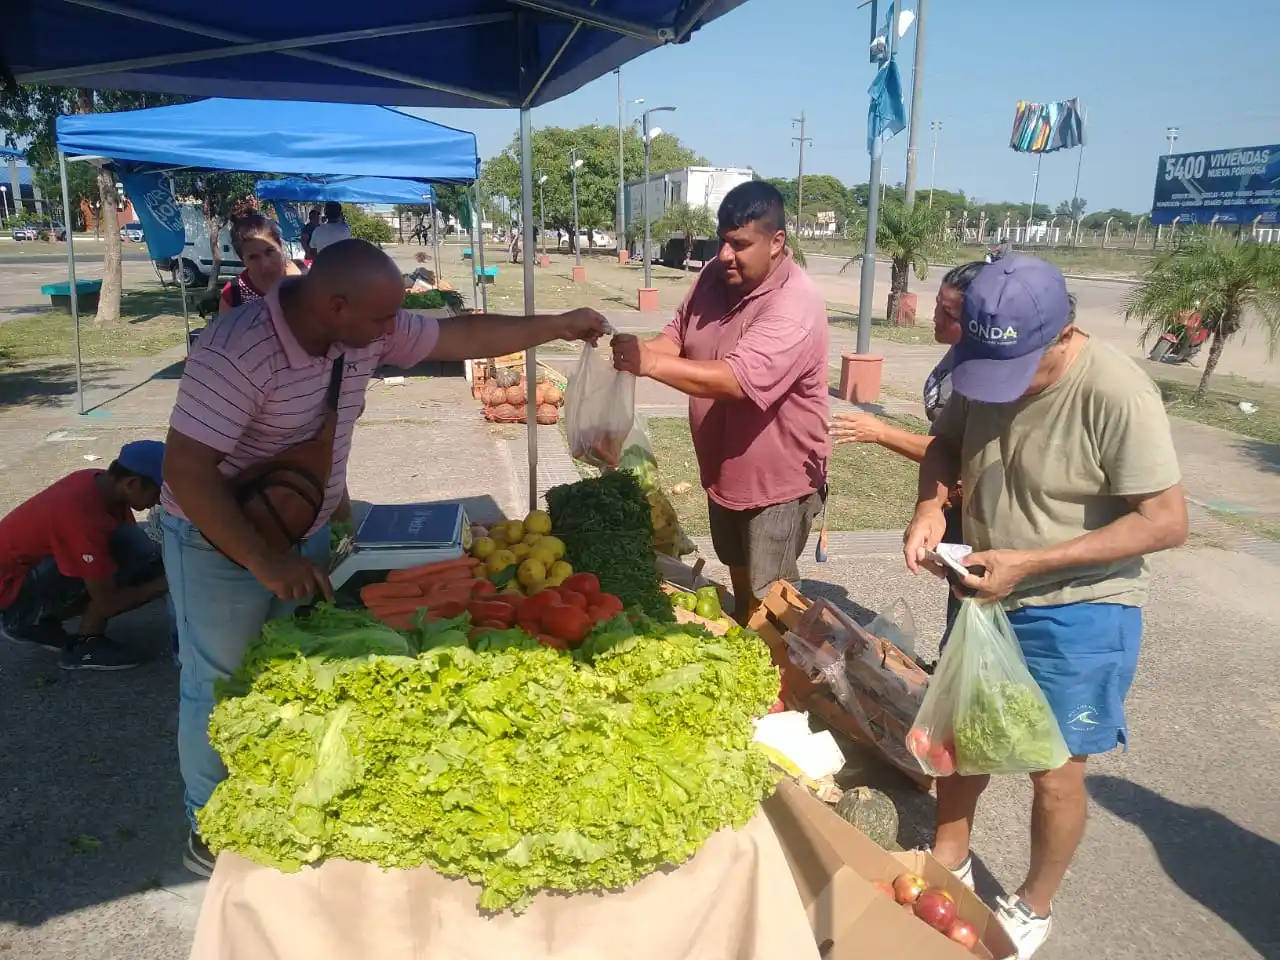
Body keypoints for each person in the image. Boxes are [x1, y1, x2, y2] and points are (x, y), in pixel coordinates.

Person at [160, 238, 608, 876]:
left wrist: (558, 325)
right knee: (218, 681)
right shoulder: (237, 351)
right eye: (382, 317)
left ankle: (274, 799)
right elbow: (186, 470)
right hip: (217, 538)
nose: (392, 330)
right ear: (336, 305)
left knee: (292, 671)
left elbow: (458, 336)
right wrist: (265, 561)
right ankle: (208, 826)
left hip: (302, 525)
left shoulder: (362, 329)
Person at [902, 256, 1187, 958]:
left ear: (1063, 335)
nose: (1000, 387)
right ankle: (950, 857)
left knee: (1054, 769)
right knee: (960, 740)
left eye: (1018, 369)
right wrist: (931, 507)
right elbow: (945, 446)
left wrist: (1031, 563)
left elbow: (1165, 522)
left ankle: (1033, 904)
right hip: (983, 590)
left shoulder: (1117, 392)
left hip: (1079, 607)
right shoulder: (982, 363)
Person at [611, 180, 829, 625]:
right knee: (741, 581)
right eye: (722, 240)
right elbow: (677, 335)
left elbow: (736, 380)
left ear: (776, 242)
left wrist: (650, 363)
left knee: (773, 605)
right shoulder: (716, 274)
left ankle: (783, 665)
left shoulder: (795, 304)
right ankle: (750, 642)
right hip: (724, 471)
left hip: (777, 486)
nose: (725, 254)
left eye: (740, 244)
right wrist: (639, 352)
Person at [829, 261, 986, 641]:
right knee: (960, 607)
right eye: (938, 305)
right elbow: (946, 447)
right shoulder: (957, 353)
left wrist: (881, 432)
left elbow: (958, 452)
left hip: (978, 514)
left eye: (949, 314)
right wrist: (930, 507)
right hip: (954, 506)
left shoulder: (987, 376)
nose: (936, 317)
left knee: (972, 623)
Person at [0, 440, 170, 670]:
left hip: (27, 574)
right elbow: (108, 603)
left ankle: (40, 620)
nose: (161, 501)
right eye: (160, 492)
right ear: (132, 483)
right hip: (11, 594)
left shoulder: (101, 482)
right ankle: (83, 643)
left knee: (139, 556)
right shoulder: (82, 517)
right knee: (134, 564)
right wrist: (171, 581)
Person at [218, 215, 301, 314]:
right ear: (243, 260)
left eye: (270, 251)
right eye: (253, 257)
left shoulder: (309, 275)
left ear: (281, 247)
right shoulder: (233, 294)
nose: (266, 264)